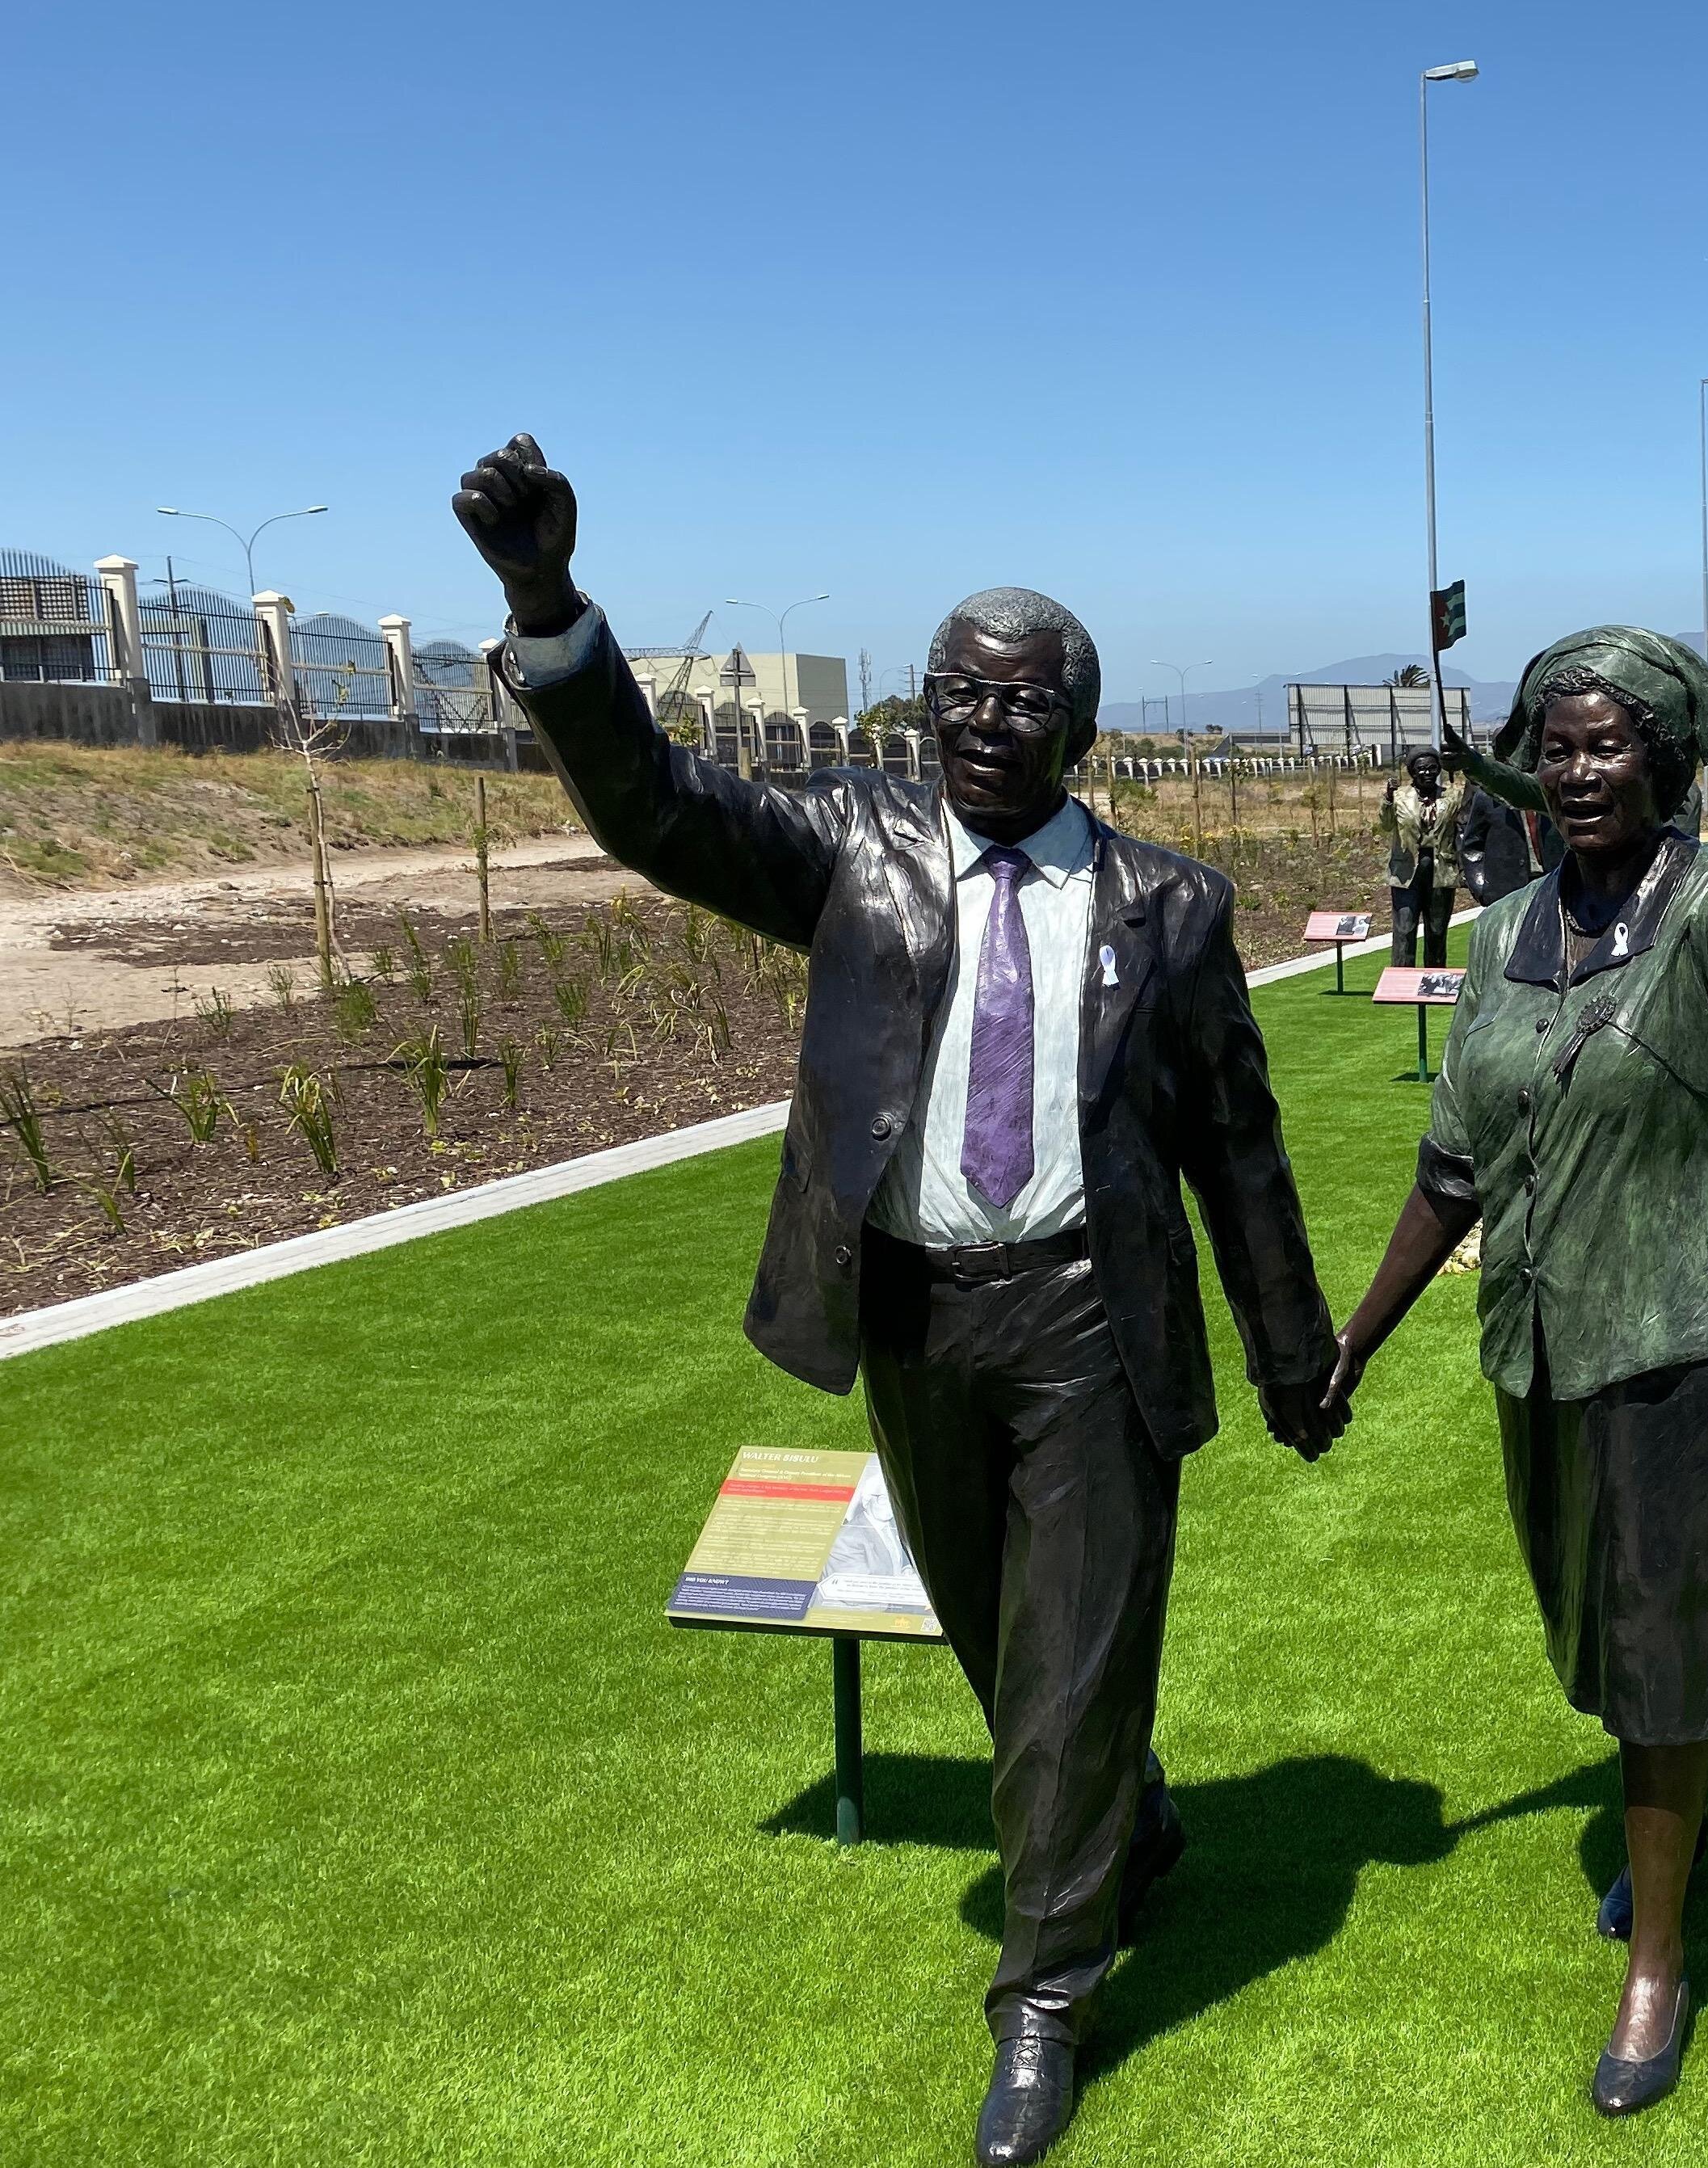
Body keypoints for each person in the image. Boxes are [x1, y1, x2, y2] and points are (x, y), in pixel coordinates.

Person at [452, 435, 1340, 2168]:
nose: (981, 724)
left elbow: (1238, 1148)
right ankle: (1126, 1818)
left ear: (1081, 728)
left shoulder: (1169, 908)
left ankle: (1045, 1997)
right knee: (1005, 1642)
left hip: (1090, 1322)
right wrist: (547, 605)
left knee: (1075, 1656)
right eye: (957, 694)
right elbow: (657, 808)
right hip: (917, 1318)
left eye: (1020, 702)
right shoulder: (854, 848)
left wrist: (1292, 1354)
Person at [1322, 549, 1708, 2117]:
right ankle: (1669, 1825)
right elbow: (1451, 1166)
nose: (1576, 772)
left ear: (1667, 760)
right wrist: (1356, 1343)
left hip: (1687, 1330)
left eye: (1607, 744)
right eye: (1555, 747)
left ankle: (1658, 1966)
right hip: (1545, 1341)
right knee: (1600, 1632)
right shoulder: (1499, 933)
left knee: (1657, 1646)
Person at [1382, 749, 1458, 964]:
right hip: (1407, 873)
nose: (1427, 773)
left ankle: (1435, 976)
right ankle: (1402, 978)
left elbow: (1464, 826)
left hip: (1440, 872)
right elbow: (1386, 825)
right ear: (1412, 772)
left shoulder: (1451, 797)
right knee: (1404, 929)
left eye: (1432, 768)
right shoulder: (1399, 797)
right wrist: (1388, 800)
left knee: (1437, 930)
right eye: (1421, 769)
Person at [1458, 768, 1539, 908]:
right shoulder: (1487, 797)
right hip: (1507, 890)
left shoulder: (1548, 789)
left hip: (1551, 882)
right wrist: (1481, 888)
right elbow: (1472, 846)